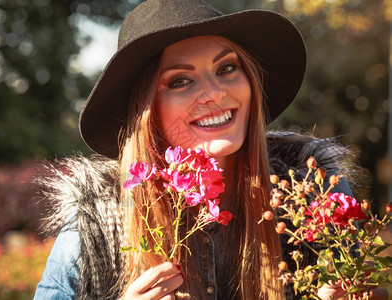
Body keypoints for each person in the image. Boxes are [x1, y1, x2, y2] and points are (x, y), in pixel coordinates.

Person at [34, 0, 389, 299]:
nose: (215, 92)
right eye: (180, 80)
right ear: (146, 111)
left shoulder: (312, 195)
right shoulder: (98, 224)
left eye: (227, 68)